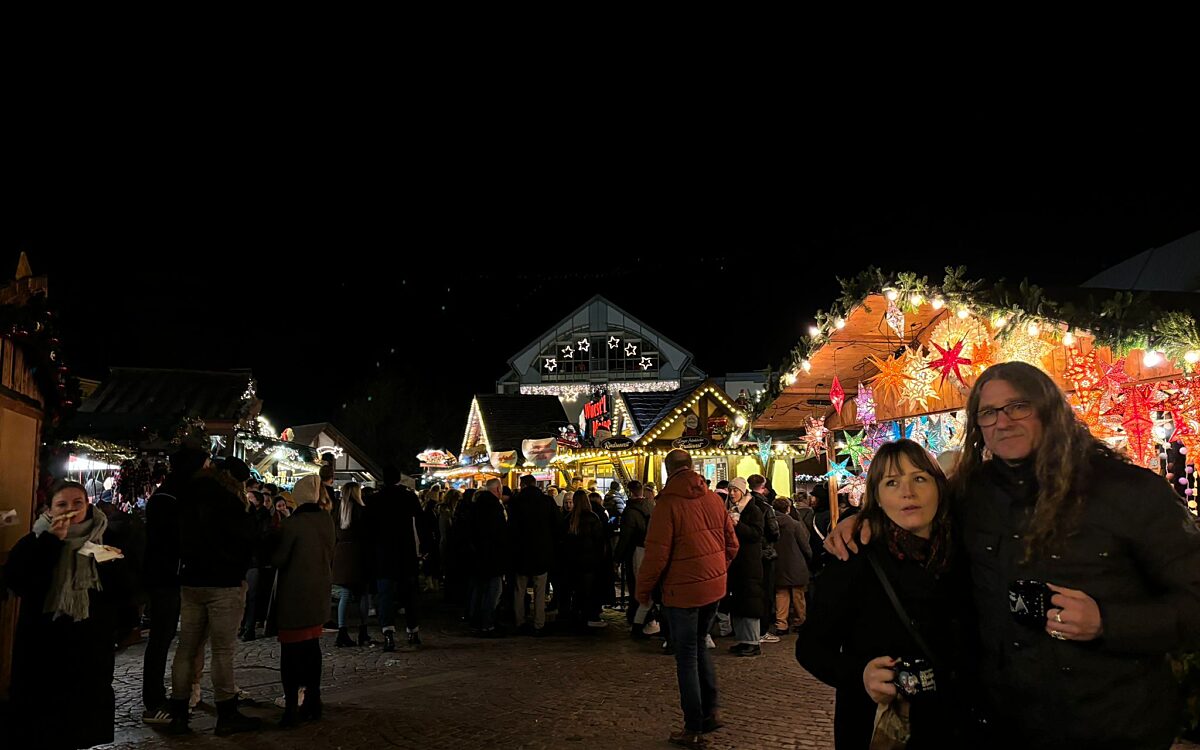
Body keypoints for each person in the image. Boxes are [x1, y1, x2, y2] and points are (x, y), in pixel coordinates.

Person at [825, 361, 1200, 748]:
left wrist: (1108, 622)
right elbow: (915, 506)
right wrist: (863, 518)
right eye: (988, 412)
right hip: (1006, 726)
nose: (1002, 422)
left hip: (1112, 724)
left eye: (1017, 406)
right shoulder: (974, 493)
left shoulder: (1130, 492)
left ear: (1048, 408)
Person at [797, 439, 967, 748]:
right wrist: (860, 675)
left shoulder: (965, 552)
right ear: (877, 496)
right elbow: (810, 648)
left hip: (957, 724)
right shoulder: (854, 559)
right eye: (892, 482)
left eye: (919, 478)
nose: (907, 492)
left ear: (939, 487)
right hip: (883, 728)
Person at [7, 480, 135, 749]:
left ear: (88, 504)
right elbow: (20, 582)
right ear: (50, 510)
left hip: (89, 644)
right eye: (62, 504)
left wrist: (114, 564)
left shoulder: (106, 539)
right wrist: (53, 542)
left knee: (81, 718)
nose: (71, 509)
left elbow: (124, 590)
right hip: (43, 644)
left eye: (78, 503)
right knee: (41, 721)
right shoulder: (35, 541)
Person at [637, 450, 739, 747]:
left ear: (668, 471)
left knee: (686, 656)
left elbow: (656, 555)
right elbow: (732, 544)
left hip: (682, 591)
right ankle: (711, 710)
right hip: (713, 587)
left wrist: (643, 591)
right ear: (692, 468)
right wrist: (717, 570)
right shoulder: (712, 499)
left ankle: (693, 725)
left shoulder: (667, 504)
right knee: (700, 647)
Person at [167, 456, 260, 736]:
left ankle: (179, 713)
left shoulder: (188, 496)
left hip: (192, 580)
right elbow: (246, 540)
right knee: (222, 651)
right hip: (224, 582)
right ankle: (227, 713)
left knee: (187, 648)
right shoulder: (229, 501)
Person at [141, 444, 208, 725]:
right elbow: (168, 541)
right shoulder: (167, 498)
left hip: (178, 575)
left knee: (179, 637)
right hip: (167, 578)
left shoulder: (179, 494)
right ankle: (154, 697)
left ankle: (181, 692)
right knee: (161, 637)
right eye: (204, 466)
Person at [272, 474, 336, 727]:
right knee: (312, 649)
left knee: (290, 655)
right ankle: (314, 699)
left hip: (294, 595)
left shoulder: (293, 524)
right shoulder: (326, 521)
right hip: (319, 592)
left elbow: (279, 559)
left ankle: (290, 709)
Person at [369, 466, 424, 651]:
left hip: (384, 554)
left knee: (385, 596)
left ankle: (388, 634)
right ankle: (413, 630)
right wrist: (423, 546)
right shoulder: (409, 497)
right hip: (406, 552)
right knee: (410, 594)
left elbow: (369, 528)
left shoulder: (376, 498)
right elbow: (421, 521)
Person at [507, 475, 558, 636]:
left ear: (522, 485)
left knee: (519, 589)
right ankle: (539, 623)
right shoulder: (547, 501)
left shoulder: (516, 502)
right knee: (540, 590)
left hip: (520, 552)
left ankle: (519, 621)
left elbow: (511, 527)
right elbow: (557, 525)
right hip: (542, 551)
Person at [724, 477, 765, 657]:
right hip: (735, 563)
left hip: (749, 562)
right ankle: (742, 639)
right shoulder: (729, 509)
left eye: (735, 490)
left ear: (743, 491)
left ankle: (752, 641)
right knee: (738, 601)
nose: (732, 494)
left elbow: (757, 534)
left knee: (749, 601)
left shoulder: (753, 510)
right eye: (730, 490)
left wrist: (738, 525)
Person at [332, 482, 372, 647]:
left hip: (341, 553)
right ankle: (363, 630)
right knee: (363, 593)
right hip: (358, 553)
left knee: (345, 594)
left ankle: (342, 630)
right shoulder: (361, 511)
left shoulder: (338, 511)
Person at [563, 488, 608, 629]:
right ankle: (588, 617)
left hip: (573, 561)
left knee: (576, 590)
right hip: (590, 562)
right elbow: (600, 541)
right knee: (589, 591)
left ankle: (576, 616)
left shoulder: (569, 519)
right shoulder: (593, 518)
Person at [468, 478, 508, 636]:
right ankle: (487, 624)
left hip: (478, 557)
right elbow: (500, 534)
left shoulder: (476, 506)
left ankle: (476, 621)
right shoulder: (495, 507)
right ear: (498, 489)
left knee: (479, 591)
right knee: (493, 592)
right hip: (492, 557)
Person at [615, 480, 655, 636]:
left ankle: (638, 619)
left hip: (636, 551)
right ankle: (645, 619)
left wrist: (617, 557)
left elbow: (625, 537)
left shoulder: (630, 511)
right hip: (649, 551)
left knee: (636, 585)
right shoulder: (650, 507)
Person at [747, 474, 781, 643]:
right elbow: (774, 532)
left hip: (749, 554)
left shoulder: (743, 505)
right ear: (764, 485)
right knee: (766, 592)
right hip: (765, 553)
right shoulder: (766, 507)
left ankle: (750, 630)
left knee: (751, 591)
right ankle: (762, 629)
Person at [771, 497, 811, 635]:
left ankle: (781, 624)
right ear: (788, 508)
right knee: (798, 595)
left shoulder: (771, 523)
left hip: (779, 563)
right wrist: (810, 557)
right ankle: (800, 621)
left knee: (781, 595)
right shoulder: (794, 524)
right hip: (796, 563)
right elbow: (804, 545)